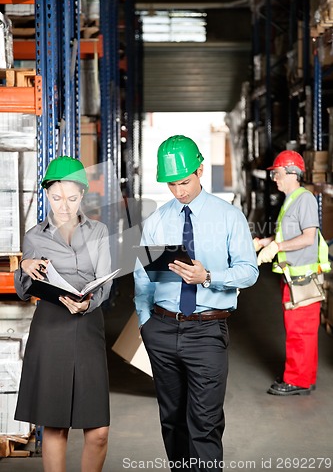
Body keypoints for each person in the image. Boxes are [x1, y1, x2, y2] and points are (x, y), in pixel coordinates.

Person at [134, 135, 258, 472]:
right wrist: (146, 322)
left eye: (184, 182)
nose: (179, 191)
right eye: (171, 184)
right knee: (172, 420)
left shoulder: (229, 217)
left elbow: (249, 272)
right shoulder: (158, 220)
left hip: (207, 330)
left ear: (200, 170)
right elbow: (142, 276)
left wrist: (208, 276)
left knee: (204, 422)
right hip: (161, 328)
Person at [14, 156, 113, 472]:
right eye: (57, 198)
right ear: (47, 194)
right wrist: (24, 267)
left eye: (71, 198)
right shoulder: (34, 236)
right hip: (51, 329)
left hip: (87, 329)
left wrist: (88, 302)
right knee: (55, 425)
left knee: (98, 430)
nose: (64, 206)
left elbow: (105, 283)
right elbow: (23, 290)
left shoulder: (98, 231)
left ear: (82, 195)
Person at [255, 150, 330, 396]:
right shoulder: (290, 200)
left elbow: (308, 238)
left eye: (277, 173)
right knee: (300, 329)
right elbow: (287, 236)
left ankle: (297, 380)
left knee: (300, 331)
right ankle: (303, 375)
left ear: (291, 173)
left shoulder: (304, 198)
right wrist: (265, 242)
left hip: (302, 277)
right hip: (293, 276)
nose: (274, 178)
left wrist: (277, 247)